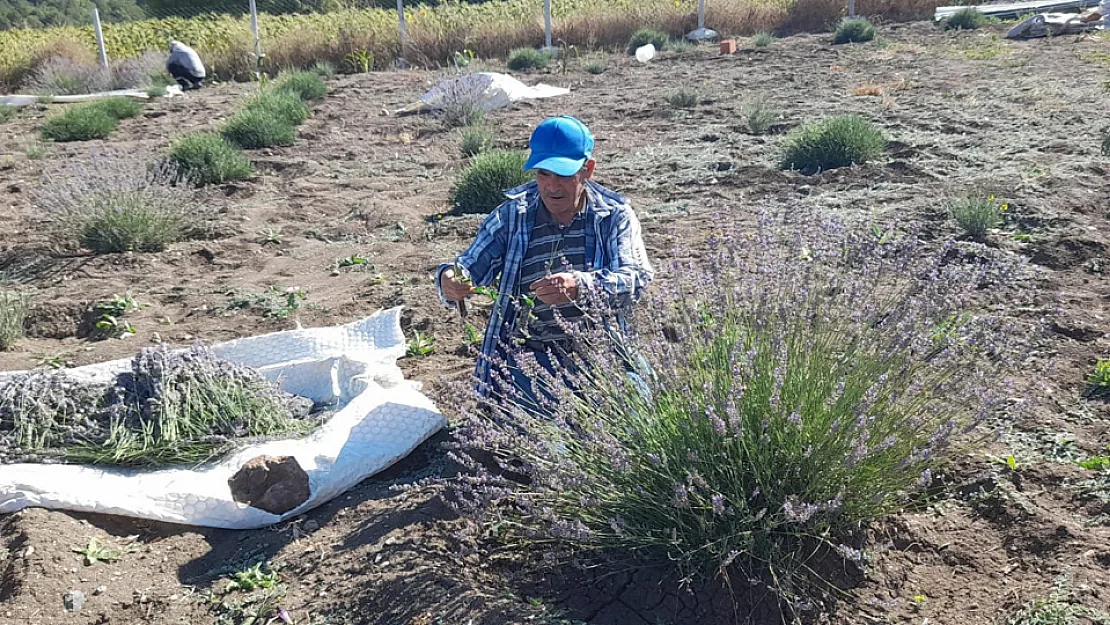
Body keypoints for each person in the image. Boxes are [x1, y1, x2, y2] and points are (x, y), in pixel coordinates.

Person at [435, 116, 654, 410]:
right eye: (543, 174)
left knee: (637, 424)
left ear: (587, 169)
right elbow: (470, 267)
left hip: (602, 349)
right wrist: (451, 280)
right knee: (550, 445)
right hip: (531, 355)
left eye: (563, 174)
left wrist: (581, 286)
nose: (552, 186)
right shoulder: (512, 216)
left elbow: (637, 278)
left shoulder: (614, 216)